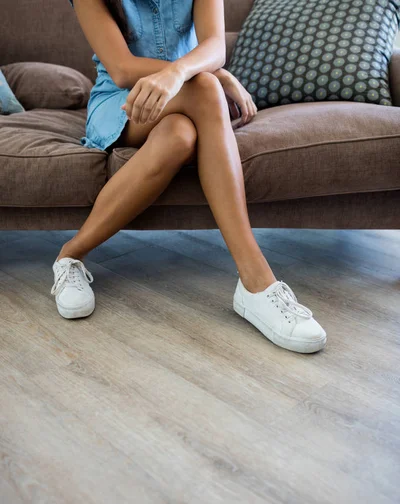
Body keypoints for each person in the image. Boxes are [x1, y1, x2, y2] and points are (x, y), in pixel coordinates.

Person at [51, 0, 327, 354]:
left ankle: (70, 254)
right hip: (122, 99)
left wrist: (183, 73)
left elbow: (215, 46)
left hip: (188, 89)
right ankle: (256, 281)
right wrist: (207, 74)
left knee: (180, 136)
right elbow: (121, 69)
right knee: (208, 89)